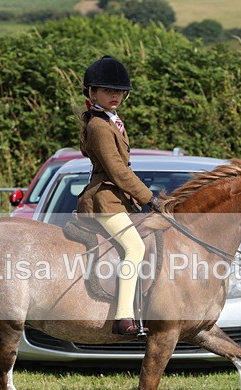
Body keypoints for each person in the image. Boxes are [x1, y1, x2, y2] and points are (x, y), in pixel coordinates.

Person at [77, 56, 162, 336]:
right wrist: (150, 198)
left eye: (119, 92)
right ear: (93, 92)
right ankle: (123, 317)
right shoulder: (99, 126)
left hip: (118, 197)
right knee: (134, 248)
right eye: (107, 91)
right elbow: (117, 171)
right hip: (105, 198)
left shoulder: (111, 120)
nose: (115, 96)